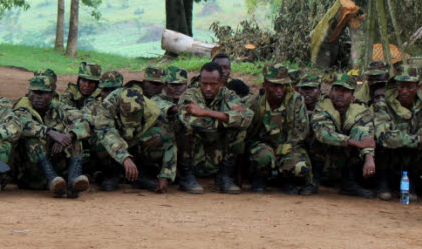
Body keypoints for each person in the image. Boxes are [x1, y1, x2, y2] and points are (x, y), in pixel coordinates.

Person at [176, 62, 253, 194]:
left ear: (221, 83)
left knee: (239, 130)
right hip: (196, 151)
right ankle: (186, 176)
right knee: (183, 127)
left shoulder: (228, 95)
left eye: (213, 84)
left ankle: (225, 176)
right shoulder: (190, 96)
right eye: (205, 83)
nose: (208, 88)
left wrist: (205, 113)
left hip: (218, 152)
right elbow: (192, 121)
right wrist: (226, 120)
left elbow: (246, 117)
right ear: (199, 81)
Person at [12, 76, 91, 197]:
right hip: (30, 172)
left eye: (43, 93)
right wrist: (52, 134)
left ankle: (73, 181)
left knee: (75, 137)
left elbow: (82, 123)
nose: (39, 97)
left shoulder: (60, 108)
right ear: (29, 93)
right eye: (35, 93)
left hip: (59, 171)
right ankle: (52, 180)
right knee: (34, 138)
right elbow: (22, 124)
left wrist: (67, 136)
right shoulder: (22, 108)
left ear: (52, 95)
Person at [92, 88, 176, 193]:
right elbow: (106, 132)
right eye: (128, 115)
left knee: (160, 136)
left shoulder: (152, 110)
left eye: (135, 115)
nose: (132, 119)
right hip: (116, 143)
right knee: (99, 141)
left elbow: (169, 140)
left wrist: (165, 175)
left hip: (137, 142)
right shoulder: (107, 106)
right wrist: (124, 158)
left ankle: (138, 174)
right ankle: (111, 173)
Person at [373, 65, 422, 202]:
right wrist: (417, 138)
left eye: (410, 87)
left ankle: (411, 182)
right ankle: (383, 183)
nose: (405, 91)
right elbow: (384, 136)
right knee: (380, 144)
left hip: (410, 156)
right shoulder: (383, 106)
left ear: (417, 87)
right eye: (401, 86)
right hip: (388, 155)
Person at [247, 64, 312, 194]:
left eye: (282, 85)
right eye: (274, 85)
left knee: (300, 167)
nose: (279, 90)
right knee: (263, 156)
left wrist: (283, 149)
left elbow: (301, 131)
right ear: (264, 85)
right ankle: (260, 177)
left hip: (288, 146)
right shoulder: (255, 102)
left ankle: (287, 179)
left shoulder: (296, 100)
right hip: (262, 145)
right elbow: (248, 133)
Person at [310, 74, 377, 197]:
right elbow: (324, 134)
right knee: (316, 139)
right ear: (330, 92)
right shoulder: (322, 106)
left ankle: (348, 183)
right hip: (323, 157)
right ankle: (313, 180)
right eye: (337, 90)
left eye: (345, 91)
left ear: (352, 96)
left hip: (343, 160)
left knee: (357, 134)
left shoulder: (361, 110)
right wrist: (354, 142)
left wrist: (369, 157)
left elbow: (365, 134)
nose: (340, 94)